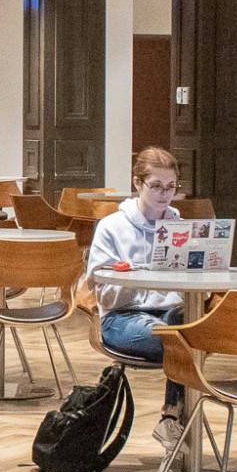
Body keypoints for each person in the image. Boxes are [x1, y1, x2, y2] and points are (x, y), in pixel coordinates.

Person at [86, 146, 193, 452]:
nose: (165, 194)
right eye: (156, 186)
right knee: (184, 341)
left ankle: (172, 421)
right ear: (137, 183)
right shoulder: (112, 227)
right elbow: (101, 289)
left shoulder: (178, 225)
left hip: (169, 315)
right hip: (123, 317)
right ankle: (175, 419)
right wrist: (135, 278)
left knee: (181, 325)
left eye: (171, 187)